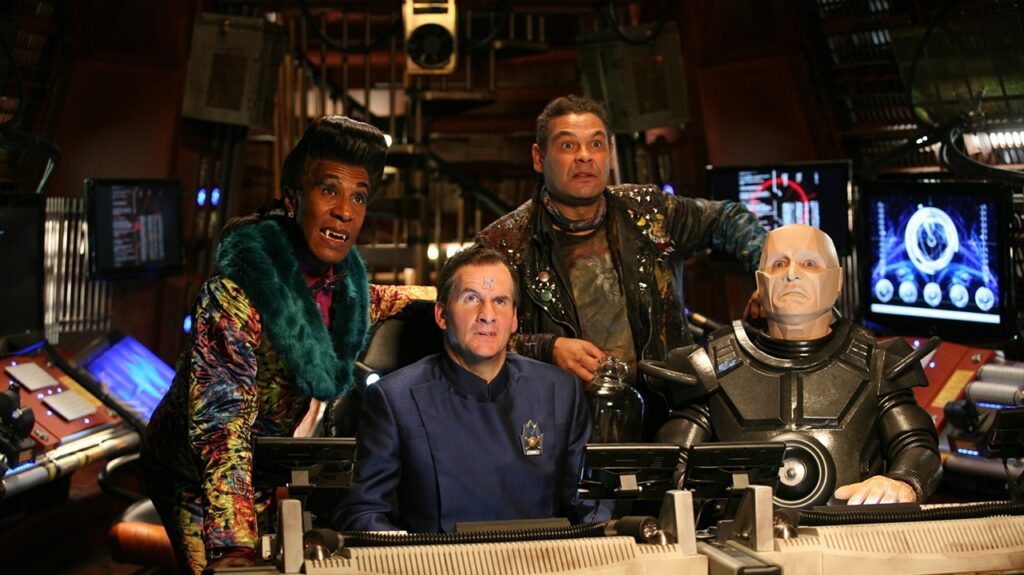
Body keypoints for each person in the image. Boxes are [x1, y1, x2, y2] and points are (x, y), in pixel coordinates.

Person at [141, 116, 426, 574]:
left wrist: (460, 298)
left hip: (266, 469)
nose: (345, 211)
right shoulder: (236, 295)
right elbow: (222, 428)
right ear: (294, 199)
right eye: (329, 190)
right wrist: (234, 549)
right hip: (195, 474)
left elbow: (383, 299)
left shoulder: (343, 288)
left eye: (358, 196)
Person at [476, 94, 766, 438]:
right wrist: (546, 348)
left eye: (596, 144)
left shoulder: (649, 212)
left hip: (668, 416)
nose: (584, 156)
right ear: (539, 157)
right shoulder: (504, 244)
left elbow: (729, 219)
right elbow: (470, 333)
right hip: (558, 428)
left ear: (608, 153)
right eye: (568, 145)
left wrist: (771, 277)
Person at [643, 224, 942, 507]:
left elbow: (917, 446)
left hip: (849, 534)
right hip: (744, 536)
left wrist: (903, 481)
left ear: (837, 280)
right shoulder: (711, 366)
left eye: (809, 264)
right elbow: (672, 462)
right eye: (779, 264)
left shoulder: (875, 363)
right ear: (760, 282)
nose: (792, 275)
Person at [335, 246, 594, 533]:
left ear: (514, 319)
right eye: (472, 299)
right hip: (438, 557)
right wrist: (408, 552)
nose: (487, 315)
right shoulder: (395, 399)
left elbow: (588, 504)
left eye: (500, 301)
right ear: (442, 315)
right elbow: (364, 511)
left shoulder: (560, 392)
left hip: (542, 556)